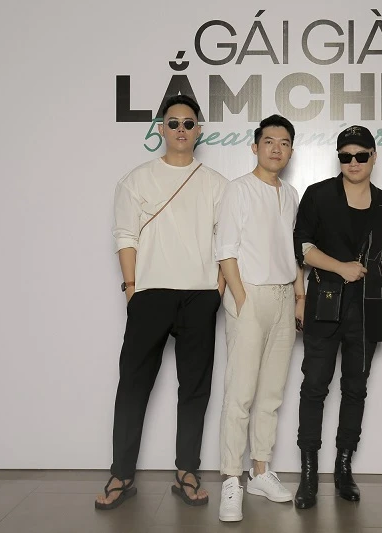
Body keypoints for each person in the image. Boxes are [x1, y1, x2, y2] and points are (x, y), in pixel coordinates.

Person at [95, 94, 228, 510]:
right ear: (161, 129)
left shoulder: (216, 184)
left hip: (199, 297)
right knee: (133, 386)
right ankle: (121, 474)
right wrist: (132, 289)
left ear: (199, 130)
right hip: (150, 294)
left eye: (188, 123)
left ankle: (187, 470)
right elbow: (125, 235)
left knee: (195, 389)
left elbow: (226, 243)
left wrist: (217, 291)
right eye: (173, 123)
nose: (181, 130)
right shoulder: (136, 179)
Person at [292, 125, 382, 509]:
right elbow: (302, 247)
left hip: (367, 308)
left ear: (374, 156)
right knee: (314, 387)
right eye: (345, 156)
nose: (353, 162)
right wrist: (341, 267)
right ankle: (308, 475)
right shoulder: (319, 194)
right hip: (324, 303)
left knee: (356, 389)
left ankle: (343, 468)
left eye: (361, 155)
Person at [214, 115, 305, 522]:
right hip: (249, 294)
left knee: (271, 393)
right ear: (255, 147)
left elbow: (293, 252)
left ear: (291, 151)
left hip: (285, 297)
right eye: (269, 141)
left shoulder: (291, 194)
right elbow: (226, 249)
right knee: (241, 393)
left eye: (283, 143)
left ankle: (260, 471)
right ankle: (231, 478)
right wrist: (240, 297)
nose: (276, 149)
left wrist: (299, 296)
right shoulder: (238, 190)